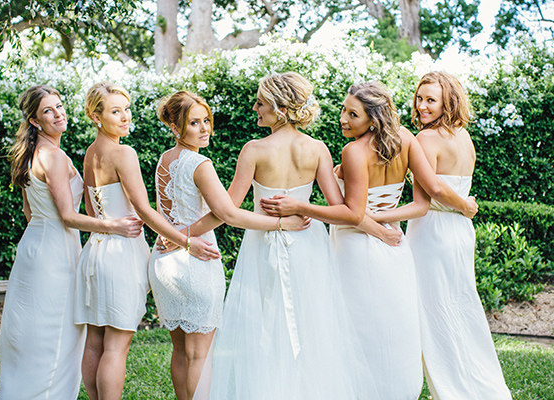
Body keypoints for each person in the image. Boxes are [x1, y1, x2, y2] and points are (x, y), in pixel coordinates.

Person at [261, 81, 478, 399]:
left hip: (355, 248)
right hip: (395, 246)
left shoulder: (354, 151)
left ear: (373, 118)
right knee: (393, 328)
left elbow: (351, 213)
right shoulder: (405, 139)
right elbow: (419, 206)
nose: (343, 119)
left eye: (353, 114)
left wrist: (300, 206)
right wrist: (379, 220)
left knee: (355, 329)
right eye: (344, 110)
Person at [183, 72, 379, 399]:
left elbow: (226, 209)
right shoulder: (317, 149)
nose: (256, 108)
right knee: (310, 321)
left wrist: (182, 233)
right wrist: (304, 207)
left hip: (263, 243)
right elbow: (341, 209)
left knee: (266, 325)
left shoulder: (254, 150)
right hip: (308, 240)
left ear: (279, 106)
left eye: (261, 102)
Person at [148, 90, 309, 400]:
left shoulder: (164, 159)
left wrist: (179, 237)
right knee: (199, 356)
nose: (204, 128)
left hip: (164, 261)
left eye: (206, 120)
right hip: (195, 261)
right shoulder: (199, 162)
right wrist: (282, 223)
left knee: (181, 350)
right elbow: (229, 213)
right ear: (174, 127)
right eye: (194, 123)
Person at [73, 83, 222, 400]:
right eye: (116, 111)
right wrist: (185, 240)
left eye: (126, 109)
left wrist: (110, 222)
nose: (125, 117)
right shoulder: (123, 152)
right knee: (116, 345)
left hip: (95, 251)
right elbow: (143, 208)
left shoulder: (91, 152)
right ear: (96, 116)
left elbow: (90, 209)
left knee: (95, 340)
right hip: (121, 252)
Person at [370, 72, 512, 399]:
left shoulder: (427, 139)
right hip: (460, 231)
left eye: (430, 100)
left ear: (448, 101)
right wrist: (465, 207)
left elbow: (433, 188)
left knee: (431, 309)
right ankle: (482, 384)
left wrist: (462, 205)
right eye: (419, 98)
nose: (421, 106)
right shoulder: (463, 136)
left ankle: (452, 390)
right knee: (460, 305)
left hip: (433, 230)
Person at [0, 85, 143, 399]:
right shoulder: (53, 157)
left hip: (33, 245)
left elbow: (29, 211)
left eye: (59, 106)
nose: (58, 114)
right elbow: (67, 215)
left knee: (38, 332)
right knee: (56, 335)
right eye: (48, 111)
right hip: (54, 252)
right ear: (35, 121)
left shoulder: (31, 154)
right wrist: (114, 225)